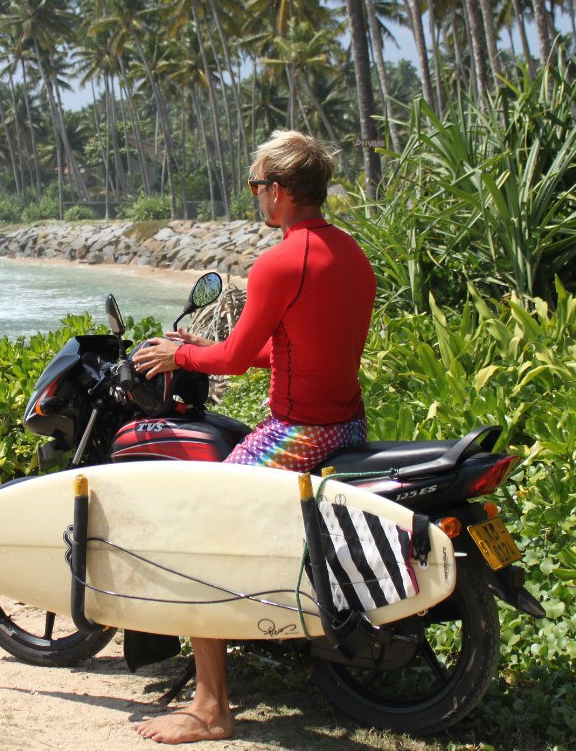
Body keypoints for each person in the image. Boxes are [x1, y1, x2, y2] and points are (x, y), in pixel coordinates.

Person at [129, 130, 376, 744]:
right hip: (346, 423)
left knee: (198, 536)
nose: (255, 198)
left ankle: (211, 707)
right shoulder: (350, 253)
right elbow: (301, 347)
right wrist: (201, 353)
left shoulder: (279, 261)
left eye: (257, 185)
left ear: (283, 192)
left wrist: (180, 353)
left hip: (299, 433)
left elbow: (236, 357)